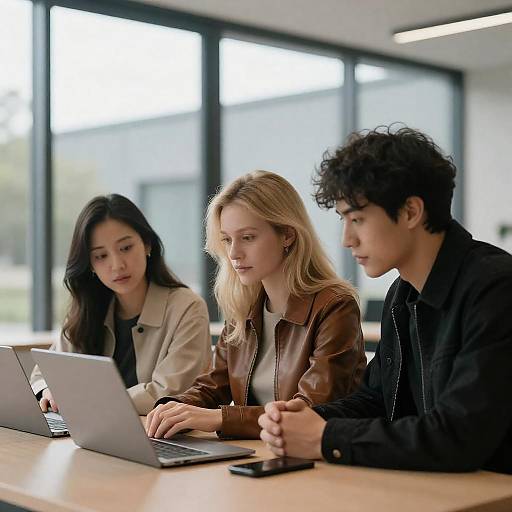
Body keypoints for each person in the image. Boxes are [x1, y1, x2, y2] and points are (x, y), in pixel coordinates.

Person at [259, 126, 512, 473]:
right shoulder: (402, 292)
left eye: (357, 219)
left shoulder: (496, 287)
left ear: (411, 212)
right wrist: (304, 418)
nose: (347, 239)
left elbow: (459, 435)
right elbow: (376, 399)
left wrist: (326, 437)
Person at [146, 170, 366, 440]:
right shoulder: (245, 306)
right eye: (227, 239)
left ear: (287, 235)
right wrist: (171, 410)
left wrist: (218, 418)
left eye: (247, 237)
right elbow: (212, 386)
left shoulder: (334, 306)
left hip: (315, 464)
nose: (234, 253)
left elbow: (311, 411)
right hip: (259, 456)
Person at [31, 194, 211, 415]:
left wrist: (86, 402)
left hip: (158, 437)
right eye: (101, 256)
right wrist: (50, 390)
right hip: (92, 434)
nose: (117, 265)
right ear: (90, 265)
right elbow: (44, 374)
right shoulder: (88, 306)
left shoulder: (187, 308)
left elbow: (169, 393)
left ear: (147, 244)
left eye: (125, 248)